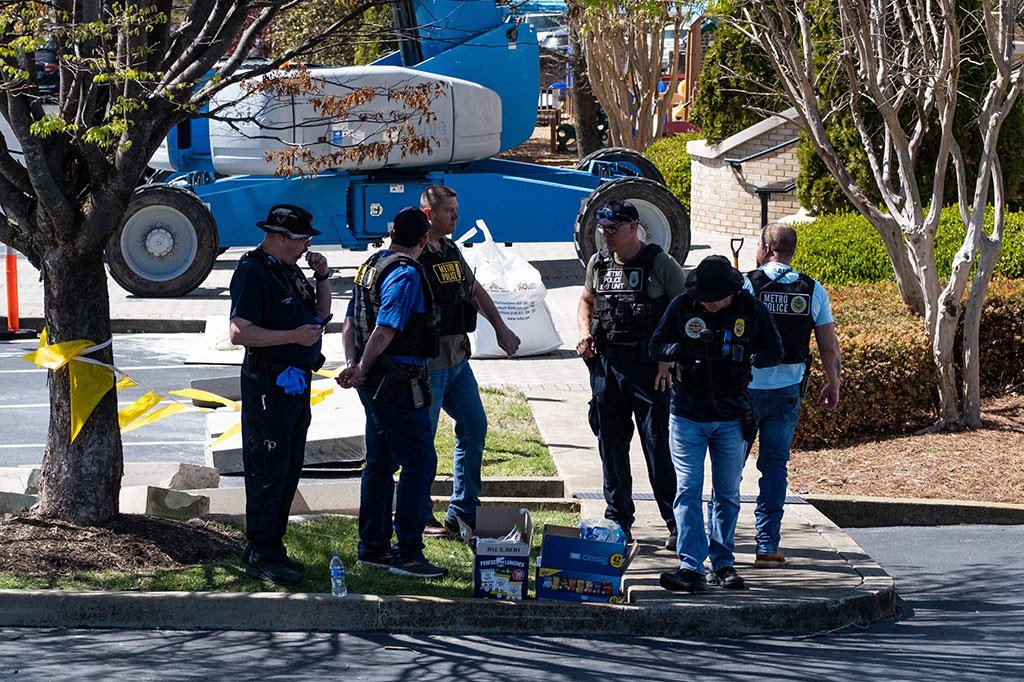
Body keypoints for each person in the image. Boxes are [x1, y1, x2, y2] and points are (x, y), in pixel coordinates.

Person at [650, 255, 783, 593]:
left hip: (732, 415)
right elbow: (655, 346)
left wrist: (752, 354)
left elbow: (775, 350)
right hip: (687, 414)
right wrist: (684, 347)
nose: (708, 304)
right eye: (703, 298)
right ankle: (690, 566)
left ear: (730, 292)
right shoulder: (683, 305)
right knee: (687, 489)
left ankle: (722, 563)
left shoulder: (751, 309)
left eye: (715, 298)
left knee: (727, 493)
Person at [337, 207, 448, 578]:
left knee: (381, 462)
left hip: (374, 382)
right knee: (419, 462)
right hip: (396, 382)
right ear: (422, 240)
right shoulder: (404, 274)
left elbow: (350, 320)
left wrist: (353, 363)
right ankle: (409, 553)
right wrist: (362, 369)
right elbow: (384, 330)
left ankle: (373, 547)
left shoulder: (371, 266)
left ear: (391, 235)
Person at [229, 204, 331, 586]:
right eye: (303, 239)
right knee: (267, 469)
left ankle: (273, 546)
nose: (307, 245)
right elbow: (239, 333)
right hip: (267, 383)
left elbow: (319, 315)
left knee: (288, 468)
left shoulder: (290, 270)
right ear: (279, 237)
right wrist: (291, 337)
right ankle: (260, 551)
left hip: (294, 381)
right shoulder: (253, 271)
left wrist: (322, 276)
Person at [576, 199, 685, 547]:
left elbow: (684, 313)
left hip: (649, 371)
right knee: (611, 444)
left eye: (613, 229)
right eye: (603, 229)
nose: (606, 235)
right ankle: (618, 519)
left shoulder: (660, 263)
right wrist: (584, 333)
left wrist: (668, 359)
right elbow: (586, 301)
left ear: (633, 228)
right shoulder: (598, 262)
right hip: (607, 368)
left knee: (657, 446)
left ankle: (674, 521)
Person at [417, 185, 521, 536]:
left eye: (457, 210)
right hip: (427, 365)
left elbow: (475, 290)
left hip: (458, 360)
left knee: (474, 427)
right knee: (422, 444)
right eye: (450, 212)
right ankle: (419, 513)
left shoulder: (450, 249)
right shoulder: (414, 254)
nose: (457, 217)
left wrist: (501, 328)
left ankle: (463, 510)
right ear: (429, 215)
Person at [743, 223, 841, 567]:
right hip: (787, 392)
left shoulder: (747, 283)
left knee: (730, 470)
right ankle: (767, 547)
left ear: (766, 248)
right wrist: (834, 383)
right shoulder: (813, 289)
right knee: (774, 468)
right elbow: (828, 346)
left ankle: (720, 546)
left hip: (745, 390)